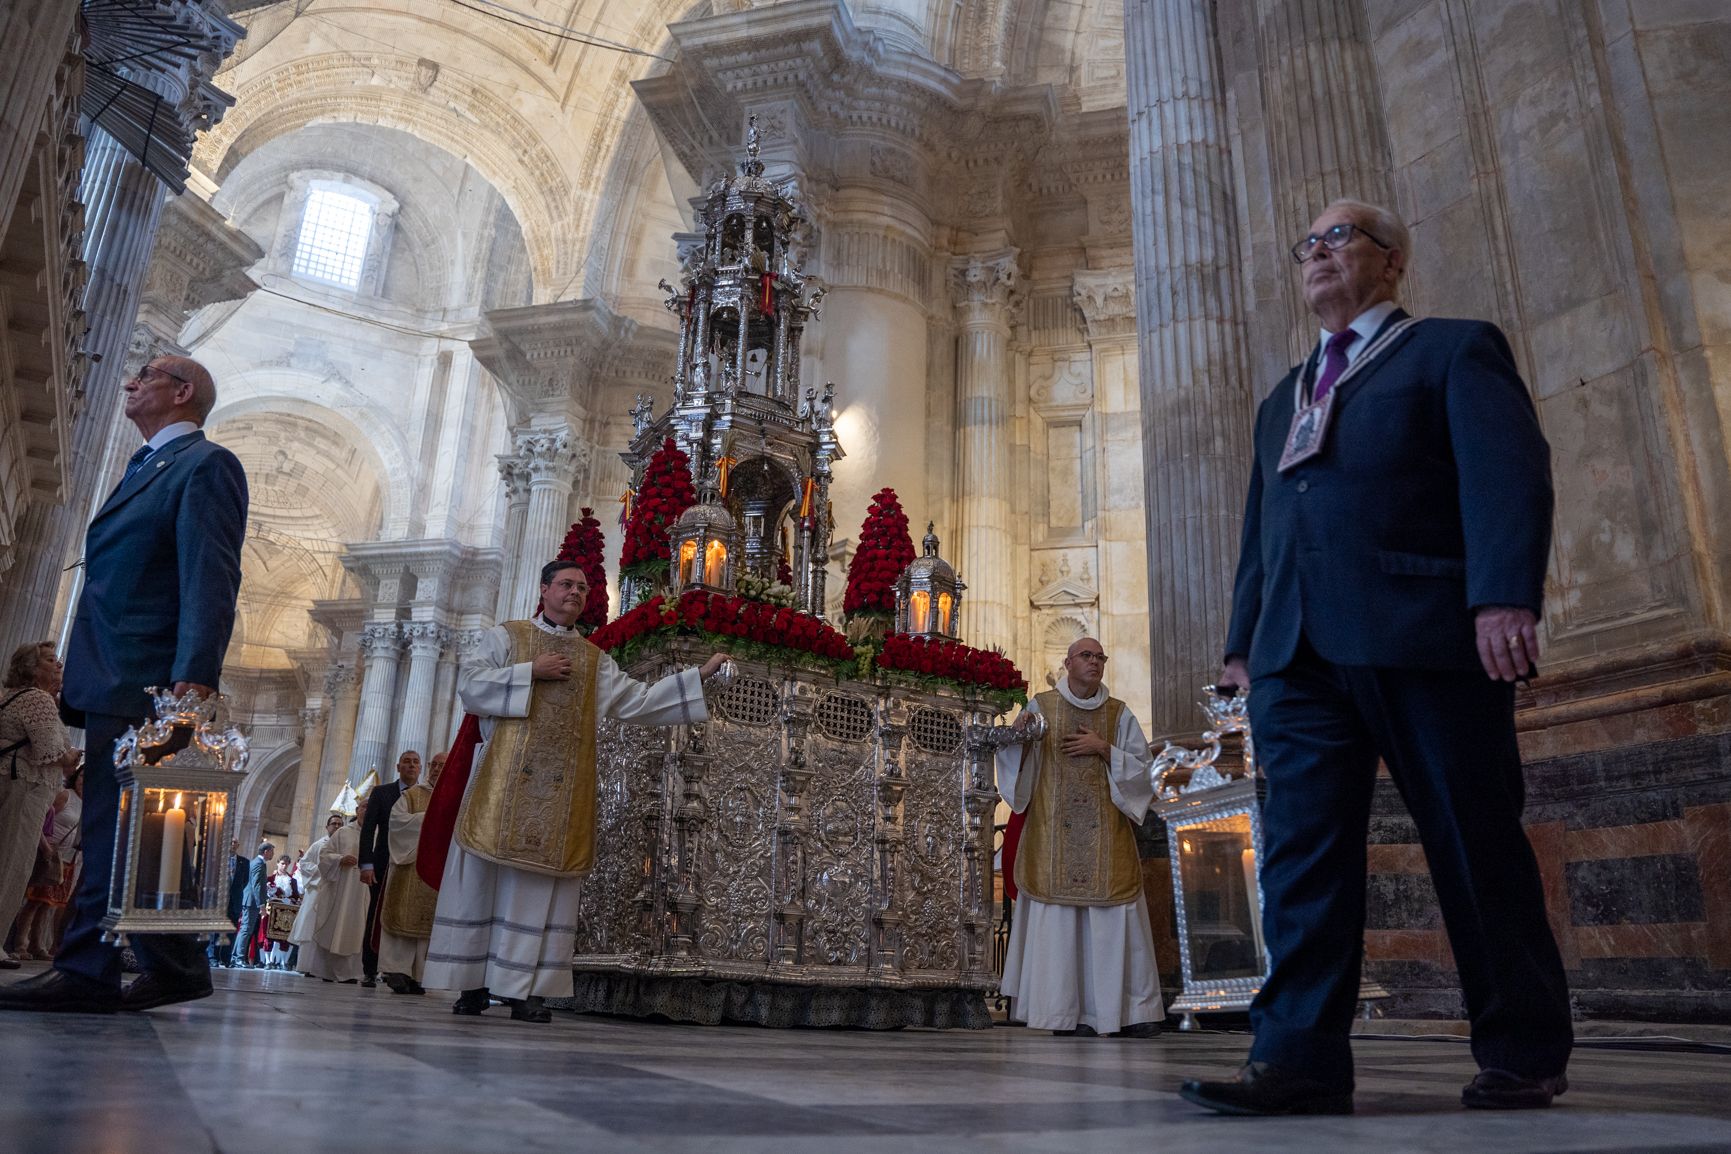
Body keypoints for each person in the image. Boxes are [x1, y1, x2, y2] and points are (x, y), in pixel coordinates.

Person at [1180, 200, 1571, 1116]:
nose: (1316, 254)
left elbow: (1507, 472)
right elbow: (1258, 530)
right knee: (1301, 859)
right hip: (1295, 655)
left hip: (1422, 628)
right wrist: (1243, 645)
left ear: (1390, 262)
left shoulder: (1449, 350)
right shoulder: (1285, 394)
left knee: (1472, 840)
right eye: (1305, 243)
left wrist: (1502, 595)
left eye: (1338, 237)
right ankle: (1300, 1060)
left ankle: (1519, 1047)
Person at [0, 355, 247, 1014]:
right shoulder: (147, 466)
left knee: (118, 828)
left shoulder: (205, 465)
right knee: (126, 828)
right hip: (116, 674)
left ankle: (89, 971)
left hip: (146, 681)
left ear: (182, 391)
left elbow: (210, 578)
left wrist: (192, 683)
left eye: (146, 374)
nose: (130, 383)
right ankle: (171, 964)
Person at [420, 561, 728, 1022]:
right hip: (500, 785)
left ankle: (526, 992)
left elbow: (636, 701)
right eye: (566, 584)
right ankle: (473, 984)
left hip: (560, 796)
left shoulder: (592, 658)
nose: (575, 593)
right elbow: (471, 686)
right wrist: (530, 672)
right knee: (484, 882)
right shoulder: (508, 636)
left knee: (540, 890)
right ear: (543, 589)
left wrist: (697, 677)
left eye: (583, 588)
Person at [995, 637, 1164, 1038]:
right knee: (1061, 923)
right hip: (1054, 833)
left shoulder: (1118, 714)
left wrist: (1104, 748)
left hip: (1105, 834)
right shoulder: (1041, 706)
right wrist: (1017, 740)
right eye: (1086, 656)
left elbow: (1144, 771)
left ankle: (1128, 1012)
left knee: (1110, 916)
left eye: (1100, 657)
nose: (1095, 662)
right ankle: (1062, 1013)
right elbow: (1016, 758)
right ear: (1067, 663)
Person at [0, 642, 82, 970]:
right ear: (33, 669)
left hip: (10, 779)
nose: (59, 666)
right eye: (51, 661)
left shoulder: (7, 696)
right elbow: (51, 752)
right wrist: (73, 756)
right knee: (13, 864)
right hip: (26, 787)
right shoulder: (38, 699)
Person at [377, 754, 442, 994]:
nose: (436, 769)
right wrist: (431, 818)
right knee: (403, 916)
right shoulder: (411, 795)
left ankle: (420, 975)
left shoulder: (455, 796)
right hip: (409, 866)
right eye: (433, 765)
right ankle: (397, 971)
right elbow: (397, 822)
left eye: (442, 765)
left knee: (429, 924)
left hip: (438, 871)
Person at [358, 749, 421, 988]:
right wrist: (366, 863)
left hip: (413, 866)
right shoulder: (382, 793)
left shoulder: (424, 796)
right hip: (384, 863)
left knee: (407, 916)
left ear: (420, 768)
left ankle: (403, 970)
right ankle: (370, 969)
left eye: (415, 762)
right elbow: (368, 830)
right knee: (376, 915)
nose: (411, 766)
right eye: (406, 762)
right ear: (398, 767)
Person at [14, 764, 83, 960]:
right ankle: (20, 945)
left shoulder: (85, 802)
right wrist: (45, 847)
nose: (84, 781)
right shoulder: (65, 795)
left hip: (66, 858)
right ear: (75, 777)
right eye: (81, 776)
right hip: (48, 854)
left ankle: (38, 945)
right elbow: (41, 819)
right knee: (34, 901)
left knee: (48, 904)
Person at [289, 812, 367, 982]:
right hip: (320, 889)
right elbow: (305, 864)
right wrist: (327, 870)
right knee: (314, 927)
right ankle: (308, 966)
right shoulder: (319, 844)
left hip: (349, 890)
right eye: (334, 824)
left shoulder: (367, 833)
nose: (337, 826)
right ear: (327, 826)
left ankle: (345, 971)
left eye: (340, 823)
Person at [230, 842, 275, 968]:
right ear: (266, 852)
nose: (273, 854)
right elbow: (256, 885)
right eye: (272, 851)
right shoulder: (258, 863)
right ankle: (238, 958)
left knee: (245, 929)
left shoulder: (258, 863)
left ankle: (235, 957)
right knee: (246, 929)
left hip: (251, 901)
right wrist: (261, 904)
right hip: (251, 901)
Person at [210, 839, 249, 967]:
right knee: (216, 930)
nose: (232, 844)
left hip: (235, 901)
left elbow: (245, 881)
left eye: (235, 842)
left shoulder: (244, 862)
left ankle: (226, 958)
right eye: (230, 842)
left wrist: (235, 894)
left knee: (231, 931)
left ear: (238, 845)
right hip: (220, 900)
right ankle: (213, 957)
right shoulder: (219, 860)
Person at [261, 858, 300, 970]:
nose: (284, 866)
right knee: (268, 935)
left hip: (285, 912)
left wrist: (290, 900)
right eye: (282, 863)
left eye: (286, 864)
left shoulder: (292, 881)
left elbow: (296, 896)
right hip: (271, 910)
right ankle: (268, 961)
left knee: (284, 937)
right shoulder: (270, 879)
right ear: (278, 863)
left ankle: (283, 962)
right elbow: (263, 894)